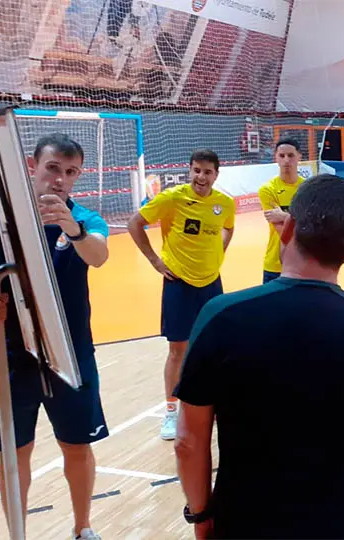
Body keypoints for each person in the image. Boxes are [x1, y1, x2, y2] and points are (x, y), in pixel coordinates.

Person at [173, 174, 344, 540]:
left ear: (288, 229)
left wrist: (201, 513)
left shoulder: (221, 316)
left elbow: (188, 440)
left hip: (244, 523)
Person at [0, 134, 110, 540]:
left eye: (70, 173)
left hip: (71, 354)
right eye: (53, 169)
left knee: (78, 447)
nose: (60, 180)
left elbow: (99, 255)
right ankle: (19, 533)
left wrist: (73, 227)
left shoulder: (87, 219)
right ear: (32, 167)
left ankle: (83, 527)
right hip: (12, 355)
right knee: (15, 454)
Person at [127, 149, 235, 441]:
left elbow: (228, 228)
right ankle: (172, 412)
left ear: (216, 174)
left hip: (212, 283)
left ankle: (212, 403)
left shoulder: (224, 203)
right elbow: (134, 223)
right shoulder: (172, 199)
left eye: (207, 172)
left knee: (213, 347)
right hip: (179, 283)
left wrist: (217, 254)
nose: (201, 177)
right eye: (197, 170)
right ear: (189, 171)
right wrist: (154, 260)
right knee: (178, 350)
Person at [259, 137, 305, 283]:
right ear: (276, 158)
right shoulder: (268, 190)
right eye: (282, 156)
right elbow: (282, 230)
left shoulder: (307, 188)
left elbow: (311, 227)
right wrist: (299, 220)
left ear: (299, 157)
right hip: (275, 264)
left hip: (303, 264)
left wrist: (284, 216)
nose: (286, 160)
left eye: (290, 155)